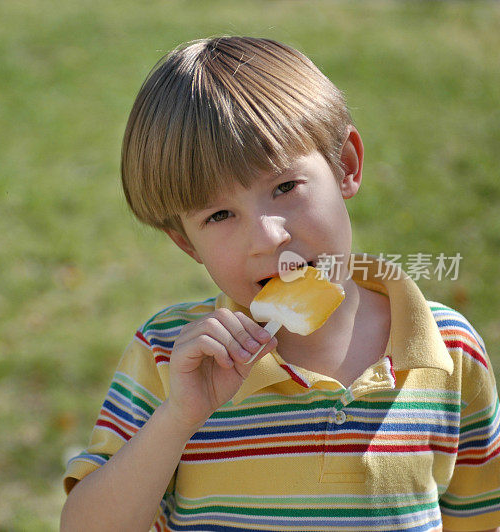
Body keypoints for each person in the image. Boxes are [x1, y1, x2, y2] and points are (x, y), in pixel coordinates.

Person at [59, 36, 500, 531]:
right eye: (220, 214)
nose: (269, 237)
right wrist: (179, 418)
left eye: (285, 187)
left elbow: (479, 518)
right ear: (186, 243)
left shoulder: (450, 352)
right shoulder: (168, 358)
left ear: (346, 166)